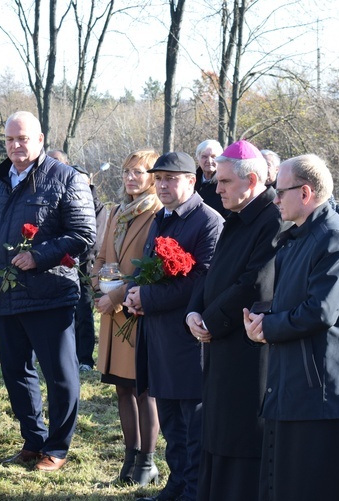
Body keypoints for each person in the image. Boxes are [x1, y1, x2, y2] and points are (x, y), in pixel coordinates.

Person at [0, 111, 96, 472]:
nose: (15, 146)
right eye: (9, 139)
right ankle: (32, 440)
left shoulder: (66, 178)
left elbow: (84, 234)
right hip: (5, 296)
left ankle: (57, 448)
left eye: (23, 139)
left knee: (59, 374)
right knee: (15, 372)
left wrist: (38, 256)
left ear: (40, 139)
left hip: (50, 293)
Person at [243, 154, 339, 501]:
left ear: (306, 192)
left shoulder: (335, 239)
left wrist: (269, 328)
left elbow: (320, 311)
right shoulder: (297, 237)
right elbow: (289, 297)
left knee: (315, 483)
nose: (275, 198)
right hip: (292, 376)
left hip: (319, 386)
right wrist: (260, 318)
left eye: (279, 191)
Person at [186, 140, 284, 501]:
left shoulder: (271, 218)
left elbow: (254, 284)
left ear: (252, 179)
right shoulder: (237, 214)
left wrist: (210, 321)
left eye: (225, 181)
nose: (216, 187)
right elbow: (212, 274)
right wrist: (193, 313)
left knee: (240, 434)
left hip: (245, 346)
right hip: (219, 339)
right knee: (217, 429)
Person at [127, 151, 225, 501]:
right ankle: (177, 484)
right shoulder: (161, 217)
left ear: (191, 181)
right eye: (160, 178)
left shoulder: (208, 221)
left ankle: (195, 490)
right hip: (158, 336)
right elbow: (148, 266)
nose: (163, 185)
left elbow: (201, 281)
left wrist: (147, 298)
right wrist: (132, 293)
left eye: (171, 178)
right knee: (170, 420)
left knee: (191, 424)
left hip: (187, 340)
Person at [92, 149, 162, 485]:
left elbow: (154, 268)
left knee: (143, 389)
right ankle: (130, 457)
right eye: (126, 172)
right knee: (121, 389)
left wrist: (117, 297)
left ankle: (148, 461)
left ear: (152, 176)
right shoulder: (117, 211)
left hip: (136, 310)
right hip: (111, 313)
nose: (130, 178)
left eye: (138, 172)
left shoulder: (158, 212)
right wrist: (98, 288)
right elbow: (102, 256)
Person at [47, 149, 108, 372]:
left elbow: (96, 238)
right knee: (65, 314)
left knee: (84, 313)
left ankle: (84, 358)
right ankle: (66, 355)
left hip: (84, 266)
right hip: (63, 264)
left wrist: (82, 259)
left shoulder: (98, 206)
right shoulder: (64, 202)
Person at [193, 140, 227, 216]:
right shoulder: (191, 182)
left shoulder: (226, 183)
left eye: (213, 157)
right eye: (204, 157)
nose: (209, 161)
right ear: (198, 159)